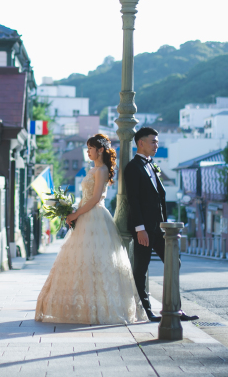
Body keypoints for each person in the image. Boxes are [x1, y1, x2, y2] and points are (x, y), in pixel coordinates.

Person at [35, 133, 147, 324]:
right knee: (80, 260)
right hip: (85, 215)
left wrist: (76, 214)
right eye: (87, 148)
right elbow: (84, 198)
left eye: (90, 148)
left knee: (96, 261)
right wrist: (72, 212)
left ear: (100, 150)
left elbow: (95, 199)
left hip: (96, 217)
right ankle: (82, 307)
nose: (87, 152)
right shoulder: (91, 169)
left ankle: (98, 308)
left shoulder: (101, 170)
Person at [123, 127, 198, 323]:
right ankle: (146, 310)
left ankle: (174, 308)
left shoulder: (151, 165)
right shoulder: (133, 167)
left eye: (157, 142)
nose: (157, 145)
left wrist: (167, 228)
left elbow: (159, 198)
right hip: (144, 230)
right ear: (141, 143)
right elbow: (134, 200)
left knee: (174, 263)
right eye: (154, 142)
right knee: (141, 269)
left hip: (160, 229)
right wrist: (140, 229)